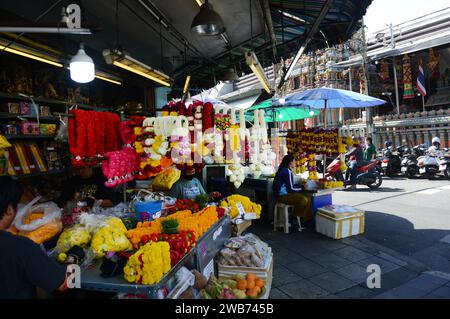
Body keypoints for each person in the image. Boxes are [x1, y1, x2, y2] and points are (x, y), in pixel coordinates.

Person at [0, 176, 68, 299]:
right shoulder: (20, 247)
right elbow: (64, 284)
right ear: (9, 209)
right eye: (18, 204)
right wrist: (74, 261)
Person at [273, 155, 312, 222]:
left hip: (281, 195)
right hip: (281, 196)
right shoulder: (286, 171)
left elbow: (289, 185)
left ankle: (302, 220)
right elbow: (290, 189)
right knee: (304, 199)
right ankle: (295, 217)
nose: (295, 163)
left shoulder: (283, 169)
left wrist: (300, 186)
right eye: (294, 161)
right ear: (290, 163)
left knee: (308, 198)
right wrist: (302, 188)